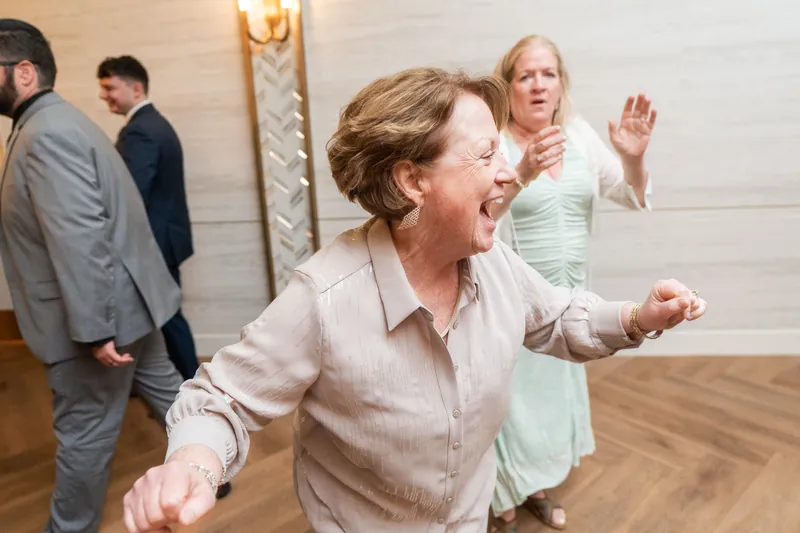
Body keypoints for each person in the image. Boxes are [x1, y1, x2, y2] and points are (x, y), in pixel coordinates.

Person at [120, 67, 706, 533]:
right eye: (486, 155)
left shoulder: (493, 262)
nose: (509, 175)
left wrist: (638, 317)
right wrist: (190, 468)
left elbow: (556, 317)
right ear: (412, 181)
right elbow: (220, 400)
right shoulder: (326, 298)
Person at [0, 19, 186, 533]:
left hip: (99, 324)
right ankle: (209, 471)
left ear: (23, 72)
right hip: (133, 305)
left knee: (84, 435)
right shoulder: (60, 123)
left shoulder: (46, 135)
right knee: (173, 400)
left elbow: (80, 240)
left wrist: (95, 329)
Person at [488, 35, 657, 531]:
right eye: (525, 75)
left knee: (550, 397)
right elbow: (476, 217)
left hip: (571, 297)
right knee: (507, 399)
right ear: (508, 86)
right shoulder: (493, 142)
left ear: (561, 84)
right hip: (511, 297)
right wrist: (522, 171)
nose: (538, 84)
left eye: (548, 73)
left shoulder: (578, 134)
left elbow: (629, 194)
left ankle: (533, 487)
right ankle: (501, 491)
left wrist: (633, 158)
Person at [96, 55, 199, 383]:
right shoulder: (154, 123)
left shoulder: (140, 131)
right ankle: (182, 384)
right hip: (166, 237)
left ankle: (195, 387)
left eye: (110, 87)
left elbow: (129, 194)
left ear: (136, 88)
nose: (104, 95)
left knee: (168, 317)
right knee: (166, 316)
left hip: (156, 241)